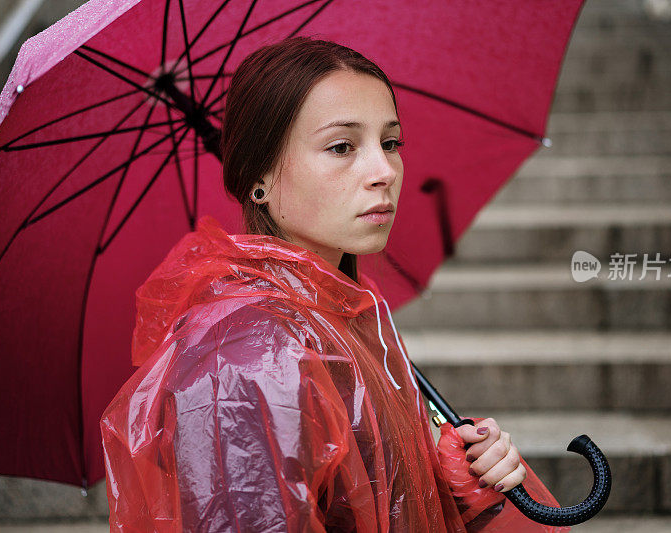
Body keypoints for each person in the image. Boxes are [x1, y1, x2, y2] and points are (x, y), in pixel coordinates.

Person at [100, 35, 567, 532]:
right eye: (342, 146)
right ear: (259, 179)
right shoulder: (248, 356)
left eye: (390, 142)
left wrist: (456, 482)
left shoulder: (344, 314)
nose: (384, 171)